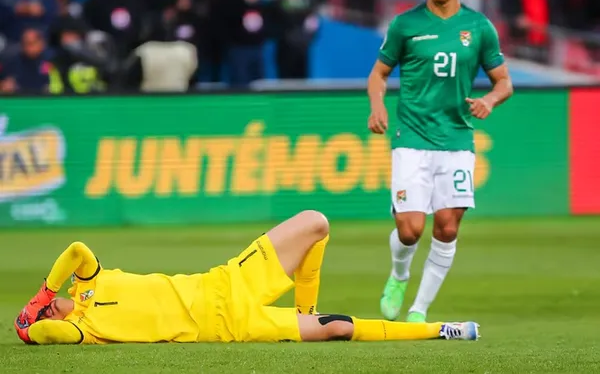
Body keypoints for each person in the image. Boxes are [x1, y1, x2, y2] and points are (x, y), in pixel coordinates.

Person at [14, 210, 479, 345]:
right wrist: (32, 327)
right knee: (340, 329)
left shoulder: (85, 285)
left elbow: (77, 250)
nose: (52, 310)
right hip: (229, 329)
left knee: (316, 222)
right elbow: (47, 333)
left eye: (51, 306)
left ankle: (305, 309)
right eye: (49, 310)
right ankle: (442, 329)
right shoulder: (82, 329)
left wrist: (43, 294)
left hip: (225, 284)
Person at [367, 0, 513, 323]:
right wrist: (378, 105)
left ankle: (419, 309)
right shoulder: (405, 25)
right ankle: (399, 276)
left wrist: (490, 101)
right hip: (412, 137)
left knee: (447, 227)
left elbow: (504, 83)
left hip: (457, 139)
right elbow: (379, 74)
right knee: (411, 229)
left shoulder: (479, 28)